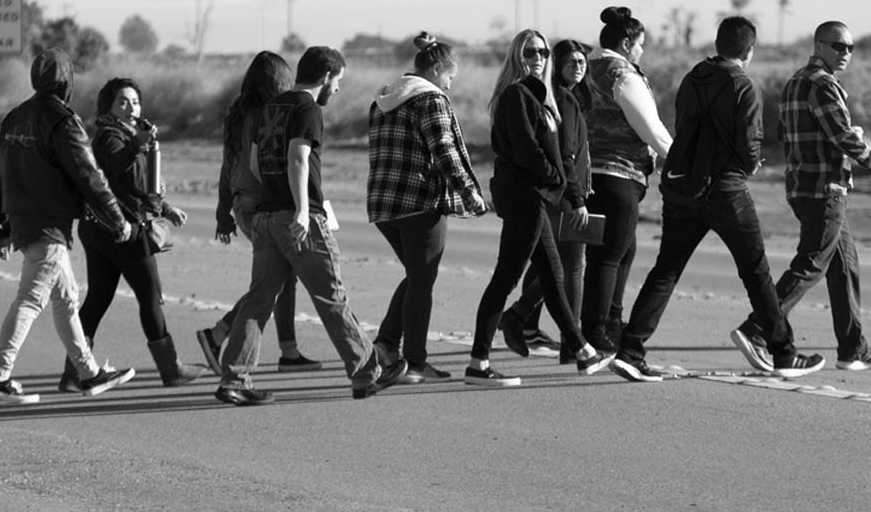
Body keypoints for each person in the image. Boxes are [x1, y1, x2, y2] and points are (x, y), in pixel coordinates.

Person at [610, 17, 826, 382]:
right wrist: (750, 164)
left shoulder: (693, 78)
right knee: (756, 272)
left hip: (684, 187)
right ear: (750, 50)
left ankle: (631, 349)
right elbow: (748, 142)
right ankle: (783, 353)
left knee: (666, 270)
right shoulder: (744, 86)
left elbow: (685, 125)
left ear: (718, 43)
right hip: (726, 189)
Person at [212, 46, 407, 405]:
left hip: (265, 216)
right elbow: (299, 158)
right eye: (339, 82)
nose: (338, 90)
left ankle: (234, 379)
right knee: (330, 296)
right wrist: (302, 210)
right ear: (327, 76)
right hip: (298, 218)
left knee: (258, 300)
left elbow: (255, 165)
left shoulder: (271, 107)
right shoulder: (307, 108)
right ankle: (366, 372)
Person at [727, 22, 871, 375]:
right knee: (811, 264)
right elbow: (840, 136)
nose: (845, 53)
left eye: (850, 47)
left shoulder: (794, 82)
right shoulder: (822, 83)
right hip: (825, 189)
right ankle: (758, 329)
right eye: (838, 46)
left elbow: (787, 133)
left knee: (845, 266)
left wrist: (846, 135)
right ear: (819, 46)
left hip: (803, 187)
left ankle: (853, 348)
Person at [0, 48, 137, 404]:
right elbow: (89, 175)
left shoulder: (14, 118)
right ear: (66, 80)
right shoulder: (62, 120)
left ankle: (88, 374)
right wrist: (117, 220)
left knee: (67, 298)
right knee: (31, 299)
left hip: (26, 221)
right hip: (48, 224)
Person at [465, 30, 615, 387]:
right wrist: (557, 181)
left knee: (552, 275)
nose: (538, 58)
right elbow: (529, 149)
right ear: (517, 56)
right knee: (505, 279)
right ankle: (478, 364)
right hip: (526, 197)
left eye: (543, 52)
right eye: (530, 51)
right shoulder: (516, 94)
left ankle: (581, 350)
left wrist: (555, 183)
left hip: (537, 196)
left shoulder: (539, 96)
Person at [366, 32, 489, 383]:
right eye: (450, 76)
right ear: (436, 70)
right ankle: (415, 364)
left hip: (384, 201)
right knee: (422, 282)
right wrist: (470, 194)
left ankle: (387, 344)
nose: (450, 84)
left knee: (417, 276)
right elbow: (444, 150)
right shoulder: (430, 99)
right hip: (421, 201)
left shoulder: (385, 98)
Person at [67, 77, 203, 391]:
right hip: (124, 231)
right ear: (109, 107)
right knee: (150, 296)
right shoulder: (109, 137)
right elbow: (122, 173)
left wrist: (165, 208)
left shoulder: (126, 136)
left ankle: (73, 373)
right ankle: (171, 369)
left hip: (102, 229)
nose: (131, 107)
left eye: (135, 102)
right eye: (123, 102)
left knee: (98, 299)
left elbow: (142, 185)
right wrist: (138, 145)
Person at [198, 52, 321, 375]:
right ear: (279, 81)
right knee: (273, 280)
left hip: (242, 202)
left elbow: (228, 164)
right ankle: (221, 335)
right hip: (263, 201)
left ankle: (286, 350)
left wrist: (223, 212)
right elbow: (266, 164)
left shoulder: (237, 113)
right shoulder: (269, 114)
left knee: (279, 276)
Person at [579, 6, 674, 352]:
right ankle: (595, 330)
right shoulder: (623, 74)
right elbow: (650, 127)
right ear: (625, 43)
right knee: (609, 255)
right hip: (619, 174)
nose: (641, 52)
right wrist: (680, 160)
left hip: (588, 174)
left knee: (622, 249)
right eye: (640, 45)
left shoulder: (584, 68)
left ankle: (611, 320)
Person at [500, 38, 594, 361]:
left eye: (583, 62)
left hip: (562, 191)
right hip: (564, 194)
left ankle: (524, 320)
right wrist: (576, 196)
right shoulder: (561, 100)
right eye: (572, 62)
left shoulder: (563, 97)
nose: (579, 67)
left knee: (553, 265)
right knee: (572, 266)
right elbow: (565, 154)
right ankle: (568, 342)